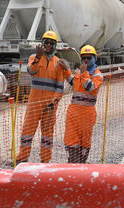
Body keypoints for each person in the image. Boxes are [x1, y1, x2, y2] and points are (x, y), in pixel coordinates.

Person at [18, 31, 71, 163]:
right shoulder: (34, 57)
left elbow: (59, 87)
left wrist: (53, 103)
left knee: (47, 135)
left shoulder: (58, 63)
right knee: (27, 131)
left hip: (50, 106)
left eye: (51, 43)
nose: (48, 45)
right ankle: (22, 158)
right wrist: (37, 57)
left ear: (55, 45)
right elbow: (30, 71)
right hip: (34, 103)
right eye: (45, 42)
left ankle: (45, 161)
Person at [63, 45, 103, 163]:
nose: (86, 60)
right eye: (83, 58)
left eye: (88, 58)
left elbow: (89, 86)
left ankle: (82, 164)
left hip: (87, 114)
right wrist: (66, 69)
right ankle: (73, 163)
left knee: (84, 141)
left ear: (94, 58)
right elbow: (73, 81)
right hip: (73, 112)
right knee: (71, 139)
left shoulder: (97, 75)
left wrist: (84, 73)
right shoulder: (80, 73)